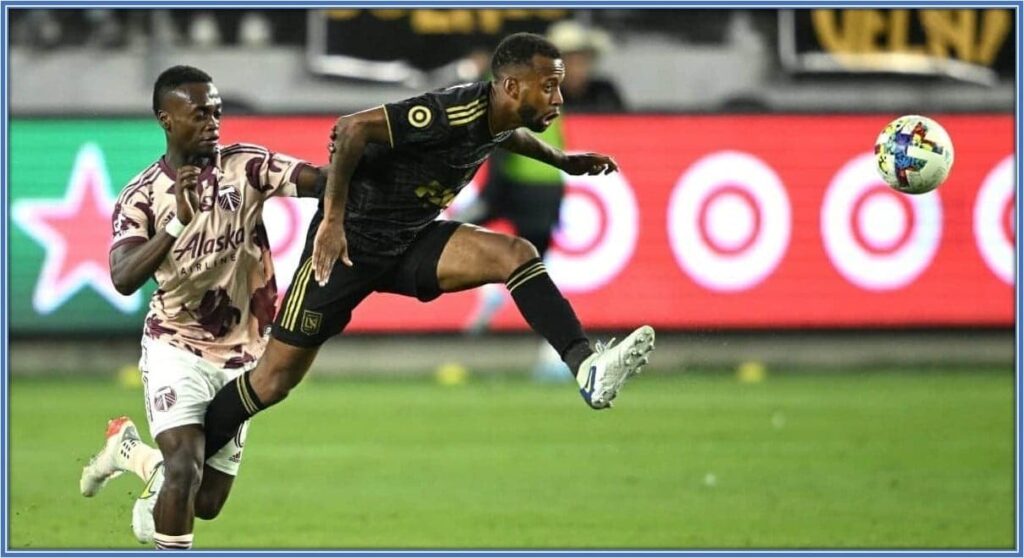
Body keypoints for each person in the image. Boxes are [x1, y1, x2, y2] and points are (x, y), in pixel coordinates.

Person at [199, 32, 656, 466]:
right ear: (513, 86)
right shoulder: (451, 110)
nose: (558, 98)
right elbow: (352, 128)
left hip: (413, 238)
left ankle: (586, 367)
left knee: (515, 253)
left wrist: (562, 160)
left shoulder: (500, 115)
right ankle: (180, 462)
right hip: (349, 246)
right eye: (549, 87)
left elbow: (503, 135)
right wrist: (333, 221)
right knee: (274, 380)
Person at [79, 65, 326, 549]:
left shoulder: (246, 165)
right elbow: (123, 277)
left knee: (206, 501)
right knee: (183, 470)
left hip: (242, 356)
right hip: (176, 346)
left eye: (216, 111)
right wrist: (176, 226)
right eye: (199, 114)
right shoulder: (142, 196)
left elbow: (316, 178)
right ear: (166, 120)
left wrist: (368, 157)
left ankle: (129, 451)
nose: (213, 121)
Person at [457, 22, 627, 381]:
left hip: (518, 181)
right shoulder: (550, 88)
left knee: (457, 232)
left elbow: (498, 131)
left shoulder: (512, 79)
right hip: (544, 187)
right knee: (536, 277)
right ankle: (552, 352)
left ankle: (492, 290)